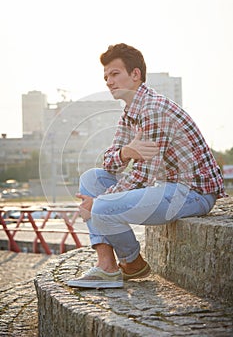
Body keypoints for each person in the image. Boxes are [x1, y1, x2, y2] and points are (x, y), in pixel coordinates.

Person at [67, 43, 226, 289]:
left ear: (135, 74)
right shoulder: (130, 113)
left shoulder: (154, 109)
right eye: (106, 77)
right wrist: (126, 152)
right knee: (92, 179)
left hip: (192, 193)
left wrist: (97, 205)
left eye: (115, 74)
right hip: (164, 187)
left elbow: (144, 175)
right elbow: (109, 163)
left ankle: (130, 263)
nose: (109, 81)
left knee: (100, 205)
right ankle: (107, 267)